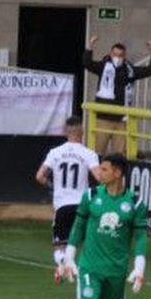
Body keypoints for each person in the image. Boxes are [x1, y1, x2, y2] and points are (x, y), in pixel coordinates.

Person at [56, 152, 148, 299]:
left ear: (117, 173)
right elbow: (78, 227)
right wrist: (69, 258)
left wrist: (139, 267)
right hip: (90, 267)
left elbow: (140, 238)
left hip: (116, 271)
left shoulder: (135, 203)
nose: (99, 173)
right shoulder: (91, 196)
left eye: (104, 170)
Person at [36, 115, 103, 271]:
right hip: (82, 206)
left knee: (59, 246)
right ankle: (74, 268)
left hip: (62, 205)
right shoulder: (89, 153)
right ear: (82, 132)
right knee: (83, 244)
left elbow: (39, 176)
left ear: (66, 132)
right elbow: (100, 177)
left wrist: (52, 186)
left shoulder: (55, 152)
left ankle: (64, 265)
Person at [83, 36, 151, 152]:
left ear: (124, 56)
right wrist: (90, 46)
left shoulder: (129, 71)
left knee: (119, 156)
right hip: (102, 119)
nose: (117, 58)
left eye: (120, 55)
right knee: (96, 153)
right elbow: (87, 63)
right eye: (115, 54)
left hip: (121, 121)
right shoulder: (102, 67)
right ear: (110, 53)